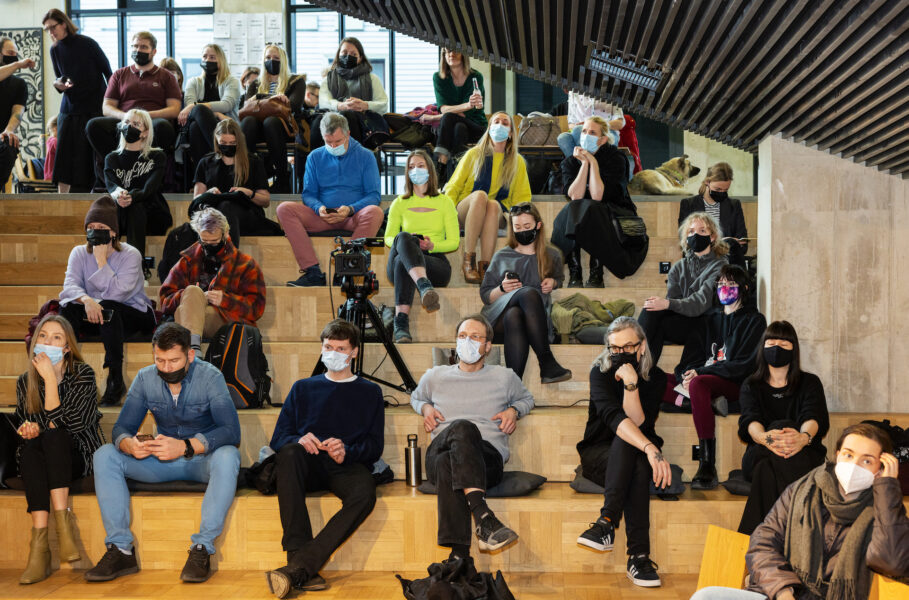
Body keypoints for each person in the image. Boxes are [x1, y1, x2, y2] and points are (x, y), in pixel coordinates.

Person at [85, 322, 241, 583]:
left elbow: (231, 431)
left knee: (228, 456)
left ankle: (202, 548)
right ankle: (121, 549)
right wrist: (129, 444)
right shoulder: (145, 378)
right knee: (105, 455)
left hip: (201, 461)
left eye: (174, 361)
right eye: (160, 360)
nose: (167, 368)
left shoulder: (211, 377)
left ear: (190, 355)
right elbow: (122, 428)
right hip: (160, 462)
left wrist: (186, 446)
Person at [691, 423, 908, 600]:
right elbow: (762, 543)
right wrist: (783, 592)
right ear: (837, 455)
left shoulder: (887, 509)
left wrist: (888, 491)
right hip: (784, 593)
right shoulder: (803, 490)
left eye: (867, 460)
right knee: (706, 596)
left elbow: (892, 562)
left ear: (880, 469)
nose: (854, 465)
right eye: (848, 455)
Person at [264, 319, 384, 598]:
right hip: (306, 463)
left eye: (341, 348)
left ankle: (300, 566)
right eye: (328, 347)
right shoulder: (303, 388)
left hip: (346, 465)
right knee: (289, 453)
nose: (333, 353)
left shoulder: (370, 392)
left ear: (354, 352)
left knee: (365, 493)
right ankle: (298, 556)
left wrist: (347, 450)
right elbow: (278, 438)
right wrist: (298, 439)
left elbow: (374, 446)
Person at [411, 314, 535, 561]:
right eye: (462, 336)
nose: (467, 341)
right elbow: (416, 397)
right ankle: (483, 516)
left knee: (449, 463)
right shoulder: (435, 375)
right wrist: (425, 408)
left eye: (475, 337)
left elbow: (527, 399)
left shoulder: (505, 377)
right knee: (461, 428)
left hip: (486, 461)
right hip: (439, 450)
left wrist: (514, 410)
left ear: (488, 346)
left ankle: (459, 558)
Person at [575, 317, 670, 588]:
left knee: (635, 458)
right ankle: (638, 557)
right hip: (599, 453)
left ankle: (606, 523)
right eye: (614, 348)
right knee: (631, 449)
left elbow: (637, 421)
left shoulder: (656, 378)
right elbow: (615, 420)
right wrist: (650, 448)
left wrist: (631, 383)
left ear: (642, 346)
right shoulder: (599, 372)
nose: (620, 353)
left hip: (636, 453)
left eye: (628, 347)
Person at [14, 315, 103, 585]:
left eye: (56, 337)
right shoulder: (25, 381)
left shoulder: (83, 375)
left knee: (55, 437)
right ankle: (40, 546)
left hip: (78, 454)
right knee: (31, 450)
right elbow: (29, 421)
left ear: (66, 348)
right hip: (42, 456)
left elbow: (71, 426)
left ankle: (63, 529)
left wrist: (51, 381)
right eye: (42, 336)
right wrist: (29, 429)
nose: (47, 342)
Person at [665, 264, 766, 490]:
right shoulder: (707, 320)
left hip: (733, 383)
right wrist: (685, 376)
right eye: (720, 284)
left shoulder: (754, 321)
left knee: (699, 383)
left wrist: (700, 373)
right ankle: (700, 402)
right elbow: (687, 360)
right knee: (655, 378)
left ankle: (707, 464)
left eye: (731, 284)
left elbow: (744, 365)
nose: (724, 288)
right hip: (702, 382)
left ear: (744, 288)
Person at [59, 195, 157, 406]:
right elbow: (69, 287)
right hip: (95, 312)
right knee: (66, 310)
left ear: (113, 232)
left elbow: (117, 294)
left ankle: (115, 378)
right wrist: (87, 300)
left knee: (109, 307)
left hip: (131, 313)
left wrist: (101, 261)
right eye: (91, 227)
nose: (95, 231)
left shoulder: (131, 254)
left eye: (101, 227)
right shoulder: (78, 252)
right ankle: (67, 373)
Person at [736, 321, 829, 535]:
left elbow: (814, 416)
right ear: (762, 347)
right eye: (771, 343)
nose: (777, 348)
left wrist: (802, 438)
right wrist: (766, 439)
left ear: (794, 349)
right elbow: (750, 420)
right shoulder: (751, 384)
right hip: (760, 450)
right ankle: (801, 534)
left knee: (766, 471)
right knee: (781, 427)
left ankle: (753, 541)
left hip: (803, 452)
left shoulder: (810, 382)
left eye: (784, 344)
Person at [276, 112, 383, 287]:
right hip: (322, 217)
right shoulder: (314, 157)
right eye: (328, 142)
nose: (333, 146)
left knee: (375, 212)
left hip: (352, 217)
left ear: (348, 134)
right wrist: (319, 208)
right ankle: (313, 272)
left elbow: (374, 196)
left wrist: (350, 209)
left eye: (338, 142)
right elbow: (308, 194)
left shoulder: (366, 156)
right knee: (283, 209)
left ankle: (346, 269)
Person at [480, 202, 571, 383]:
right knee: (528, 293)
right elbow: (485, 295)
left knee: (515, 315)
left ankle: (514, 385)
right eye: (518, 227)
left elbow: (559, 279)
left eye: (527, 226)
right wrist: (502, 288)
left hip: (534, 323)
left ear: (538, 225)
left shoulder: (552, 255)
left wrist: (553, 283)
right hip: (497, 319)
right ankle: (546, 361)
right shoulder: (502, 256)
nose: (522, 231)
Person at [159, 207, 266, 353]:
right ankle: (194, 348)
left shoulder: (245, 264)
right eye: (204, 241)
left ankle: (192, 350)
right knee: (192, 292)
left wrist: (224, 300)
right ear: (198, 234)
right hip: (189, 318)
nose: (209, 246)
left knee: (181, 316)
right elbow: (165, 300)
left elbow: (256, 309)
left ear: (226, 233)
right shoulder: (188, 260)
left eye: (215, 242)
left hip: (225, 319)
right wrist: (190, 297)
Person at [85, 31, 181, 190]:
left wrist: (145, 117)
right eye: (135, 46)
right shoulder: (119, 74)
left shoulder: (166, 76)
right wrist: (126, 117)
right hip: (124, 120)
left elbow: (174, 109)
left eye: (143, 47)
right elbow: (106, 107)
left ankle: (148, 171)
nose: (138, 50)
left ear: (154, 51)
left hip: (152, 121)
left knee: (163, 127)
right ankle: (117, 166)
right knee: (93, 126)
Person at [444, 112, 531, 283]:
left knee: (492, 205)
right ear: (489, 128)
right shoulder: (474, 154)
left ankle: (486, 267)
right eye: (496, 122)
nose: (500, 125)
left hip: (496, 213)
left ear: (510, 133)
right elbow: (454, 186)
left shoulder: (517, 161)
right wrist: (447, 214)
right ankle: (468, 260)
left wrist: (519, 221)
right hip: (466, 210)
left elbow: (522, 197)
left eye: (505, 123)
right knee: (480, 196)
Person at [384, 149, 459, 342]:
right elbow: (388, 238)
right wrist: (407, 242)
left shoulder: (445, 202)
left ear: (429, 169)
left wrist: (432, 245)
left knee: (401, 261)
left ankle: (401, 324)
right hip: (404, 258)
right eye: (411, 167)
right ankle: (424, 286)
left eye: (420, 166)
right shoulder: (399, 203)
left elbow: (454, 242)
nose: (415, 170)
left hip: (435, 264)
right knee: (403, 238)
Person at [638, 212, 728, 363]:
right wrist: (662, 304)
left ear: (712, 237)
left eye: (702, 231)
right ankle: (644, 368)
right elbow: (674, 304)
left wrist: (667, 303)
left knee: (657, 314)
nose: (696, 235)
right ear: (686, 237)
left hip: (706, 325)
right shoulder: (678, 267)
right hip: (684, 321)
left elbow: (700, 304)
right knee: (651, 310)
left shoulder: (721, 266)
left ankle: (633, 357)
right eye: (691, 231)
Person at [561, 115, 636, 287]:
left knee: (594, 207)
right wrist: (584, 165)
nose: (586, 136)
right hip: (582, 214)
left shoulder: (616, 158)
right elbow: (575, 196)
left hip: (614, 211)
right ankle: (575, 272)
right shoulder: (571, 162)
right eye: (584, 131)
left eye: (592, 133)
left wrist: (593, 162)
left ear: (602, 139)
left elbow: (598, 196)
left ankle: (596, 272)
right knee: (574, 208)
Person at [43, 8, 112, 193]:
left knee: (89, 156)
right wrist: (58, 84)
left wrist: (111, 102)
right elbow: (62, 78)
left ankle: (92, 195)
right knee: (64, 155)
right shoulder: (54, 49)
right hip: (70, 107)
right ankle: (62, 199)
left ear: (64, 24)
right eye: (47, 29)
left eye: (53, 27)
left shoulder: (87, 43)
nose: (51, 32)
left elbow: (108, 72)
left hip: (93, 105)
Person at [191, 118, 281, 247]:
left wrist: (248, 193)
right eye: (223, 142)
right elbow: (196, 200)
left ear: (239, 141)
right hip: (215, 216)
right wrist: (208, 193)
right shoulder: (206, 162)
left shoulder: (253, 162)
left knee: (226, 206)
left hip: (247, 216)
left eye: (232, 143)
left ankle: (228, 255)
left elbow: (265, 201)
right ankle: (222, 254)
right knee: (216, 211)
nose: (227, 146)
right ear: (216, 140)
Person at [103, 108, 173, 260]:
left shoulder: (157, 156)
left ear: (145, 133)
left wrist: (131, 197)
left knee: (135, 207)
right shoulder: (111, 158)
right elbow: (111, 185)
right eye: (127, 122)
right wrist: (120, 195)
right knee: (106, 210)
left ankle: (136, 267)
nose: (129, 127)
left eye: (136, 124)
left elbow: (150, 188)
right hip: (121, 211)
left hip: (151, 213)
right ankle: (106, 264)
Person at [240, 44, 306, 193]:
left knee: (271, 122)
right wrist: (274, 99)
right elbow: (246, 106)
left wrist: (260, 98)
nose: (271, 61)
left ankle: (282, 178)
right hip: (257, 128)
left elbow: (294, 105)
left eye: (276, 58)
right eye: (268, 58)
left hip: (284, 128)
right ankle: (248, 176)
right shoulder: (255, 83)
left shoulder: (296, 81)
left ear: (283, 60)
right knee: (248, 122)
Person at [313, 37, 389, 150]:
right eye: (344, 53)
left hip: (363, 123)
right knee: (318, 121)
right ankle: (317, 159)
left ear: (360, 58)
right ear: (338, 55)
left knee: (347, 115)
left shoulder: (372, 79)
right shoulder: (328, 79)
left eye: (353, 54)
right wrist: (340, 105)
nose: (348, 56)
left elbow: (383, 104)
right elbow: (324, 101)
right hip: (332, 119)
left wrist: (365, 105)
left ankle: (355, 156)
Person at [179, 44, 242, 171]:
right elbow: (192, 109)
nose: (207, 60)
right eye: (204, 57)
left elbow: (226, 104)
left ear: (221, 60)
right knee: (196, 122)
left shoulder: (232, 81)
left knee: (196, 119)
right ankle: (223, 163)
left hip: (226, 125)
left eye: (212, 57)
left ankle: (203, 175)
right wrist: (216, 113)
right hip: (201, 125)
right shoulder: (193, 82)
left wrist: (196, 106)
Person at [432, 48, 486, 184]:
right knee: (458, 127)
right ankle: (458, 174)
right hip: (456, 130)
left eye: (455, 50)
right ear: (443, 55)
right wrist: (467, 105)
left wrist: (459, 109)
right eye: (447, 51)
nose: (451, 54)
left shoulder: (476, 77)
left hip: (477, 127)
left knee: (449, 118)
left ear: (463, 54)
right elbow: (443, 109)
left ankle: (441, 164)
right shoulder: (438, 77)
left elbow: (467, 113)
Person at [678, 162, 748, 267]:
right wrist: (726, 242)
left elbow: (743, 245)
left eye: (726, 190)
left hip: (728, 266)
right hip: (698, 266)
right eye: (718, 189)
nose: (722, 193)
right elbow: (686, 242)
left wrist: (713, 243)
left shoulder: (734, 205)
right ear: (707, 182)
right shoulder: (688, 204)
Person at [0, 38, 31, 188]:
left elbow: (17, 112)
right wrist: (18, 64)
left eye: (16, 54)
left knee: (10, 144)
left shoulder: (19, 84)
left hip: (0, 137)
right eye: (10, 53)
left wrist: (9, 130)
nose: (14, 57)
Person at [557, 91, 624, 157]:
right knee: (563, 138)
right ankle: (582, 162)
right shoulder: (573, 92)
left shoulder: (612, 90)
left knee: (578, 129)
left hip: (606, 132)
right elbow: (571, 124)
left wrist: (596, 125)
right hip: (581, 132)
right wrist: (583, 127)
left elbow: (620, 123)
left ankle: (585, 161)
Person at [44, 116, 57, 181]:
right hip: (54, 176)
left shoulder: (50, 140)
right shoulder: (55, 141)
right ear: (55, 128)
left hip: (48, 175)